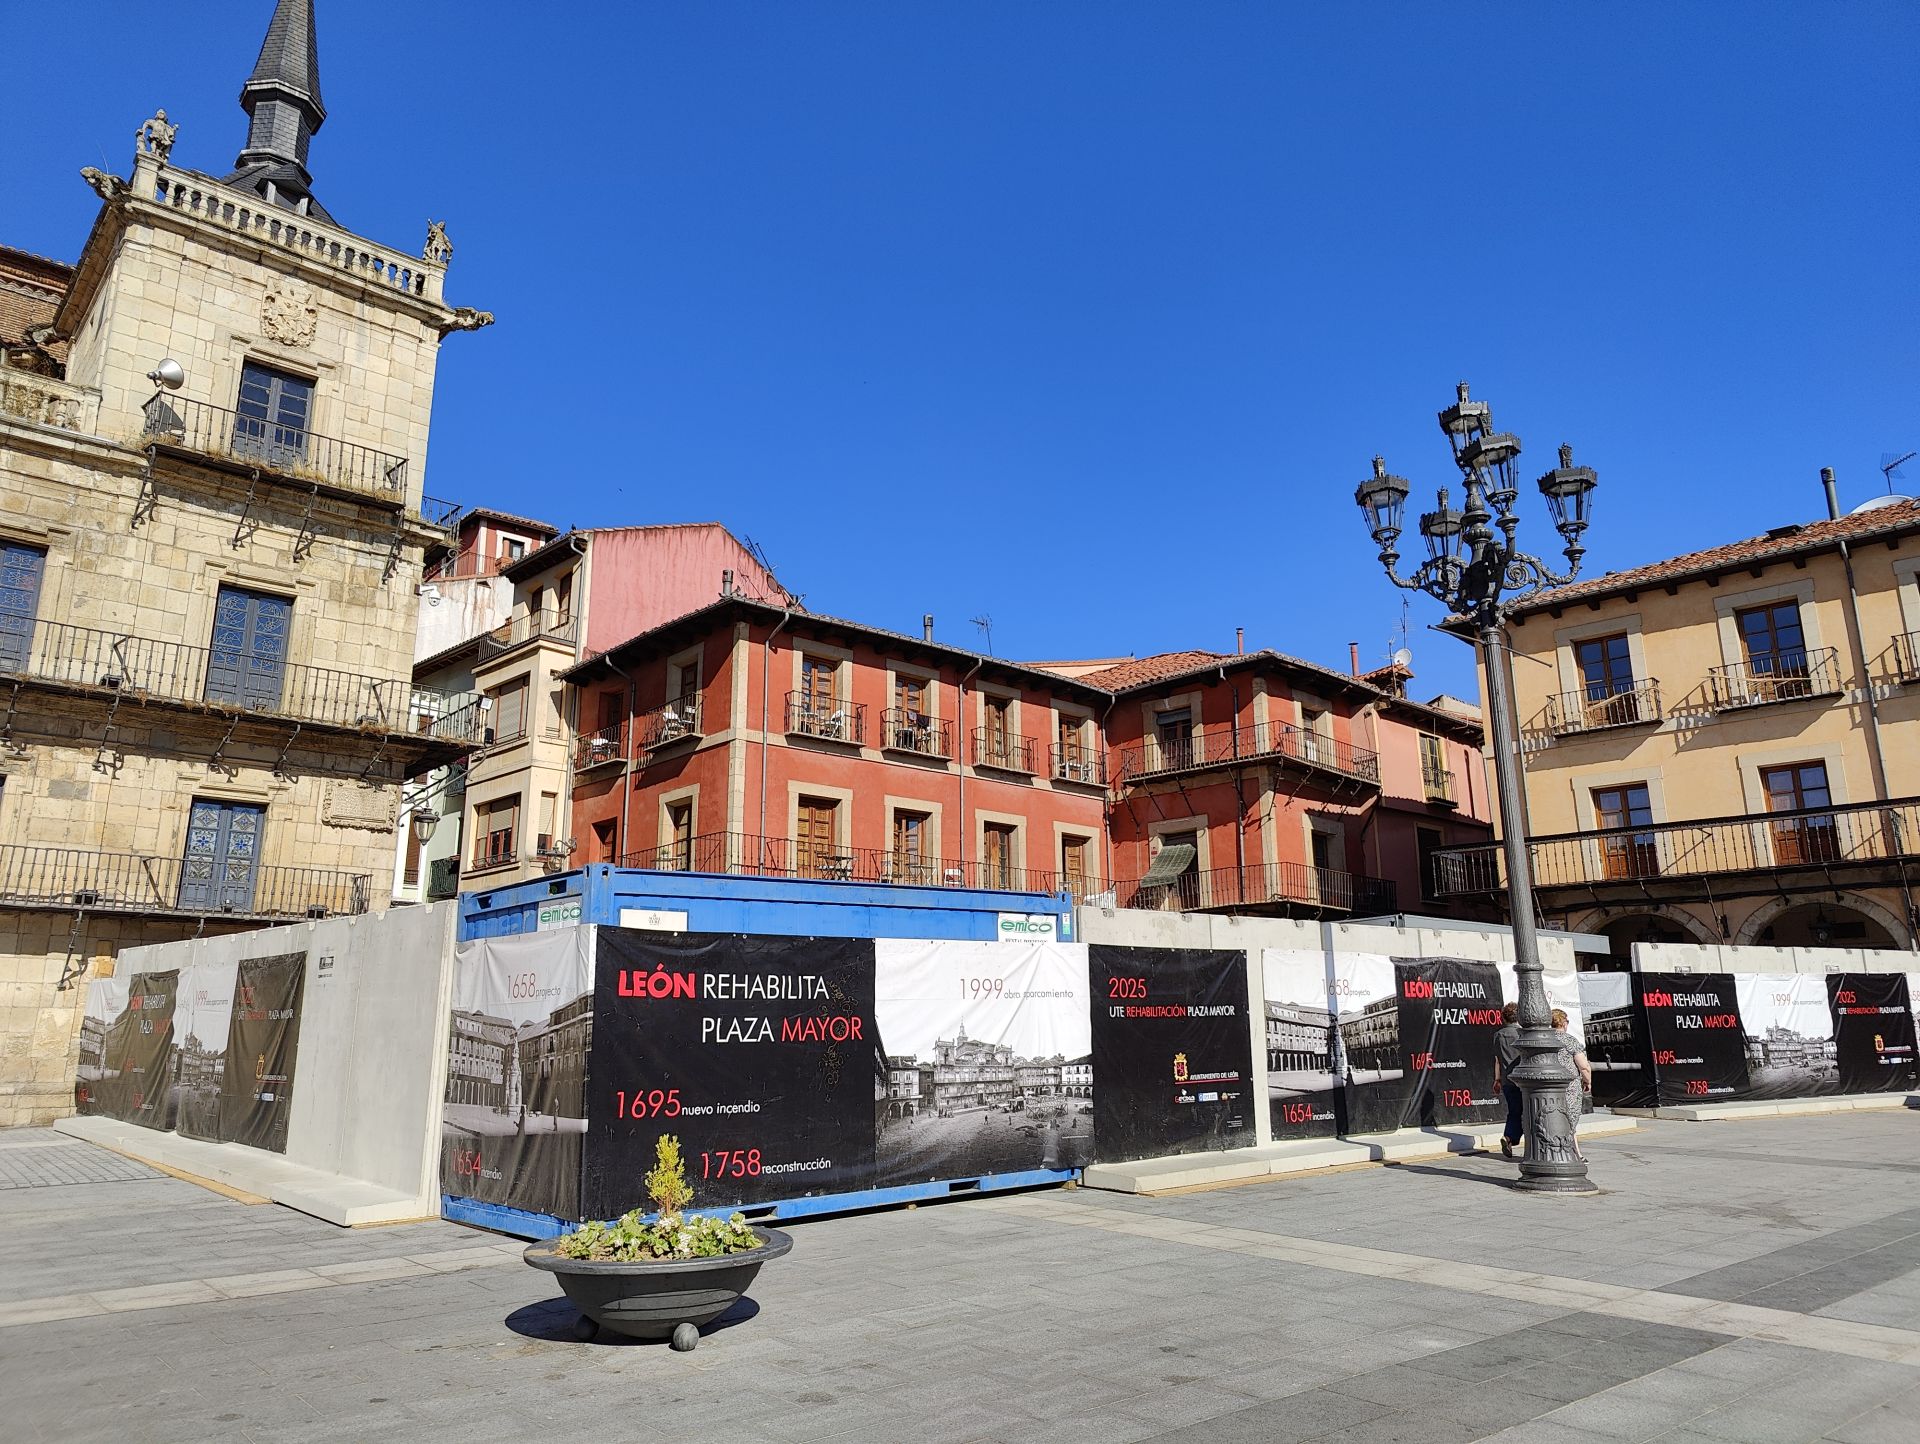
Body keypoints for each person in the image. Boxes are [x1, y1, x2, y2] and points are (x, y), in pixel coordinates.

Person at [1552, 1008, 1594, 1161]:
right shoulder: (1569, 1040)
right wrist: (1587, 1081)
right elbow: (1583, 1066)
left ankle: (1576, 1152)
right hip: (1570, 1087)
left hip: (1551, 1087)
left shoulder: (1546, 1039)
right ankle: (1573, 1153)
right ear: (1563, 1023)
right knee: (1571, 1119)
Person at [1494, 1001, 1523, 1159]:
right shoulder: (1523, 1033)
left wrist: (1497, 1079)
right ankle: (1511, 1138)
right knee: (1528, 1113)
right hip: (1524, 1079)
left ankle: (1509, 1138)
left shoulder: (1498, 1035)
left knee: (1514, 1111)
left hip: (1507, 1079)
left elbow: (1497, 1060)